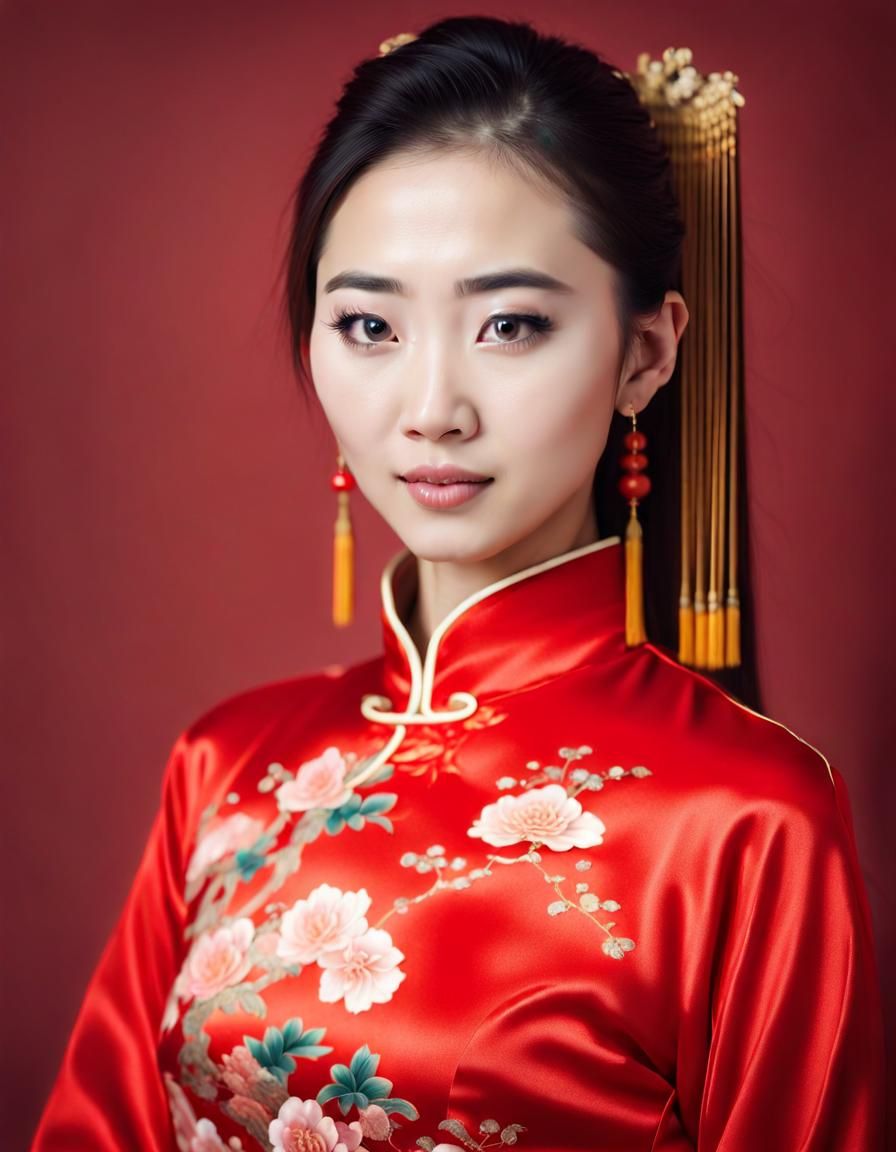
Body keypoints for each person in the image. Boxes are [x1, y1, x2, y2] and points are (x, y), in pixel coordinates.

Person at [32, 15, 885, 1152]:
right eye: (369, 324)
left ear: (645, 355)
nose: (430, 406)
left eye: (509, 323)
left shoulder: (745, 821)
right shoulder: (228, 768)